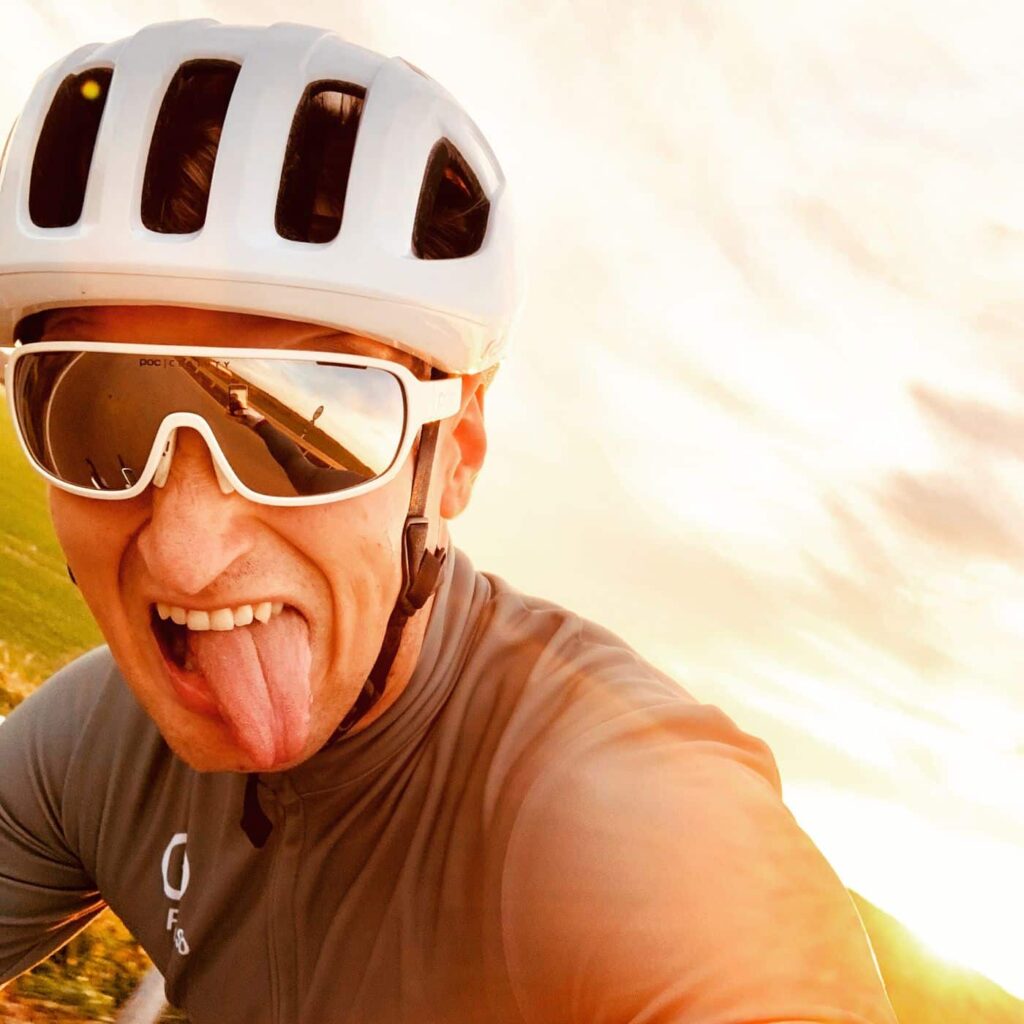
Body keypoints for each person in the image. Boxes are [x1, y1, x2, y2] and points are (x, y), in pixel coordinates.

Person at [0, 20, 899, 1024]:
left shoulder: (631, 813)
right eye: (94, 416)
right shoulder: (93, 750)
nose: (186, 551)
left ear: (455, 452)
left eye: (309, 419)